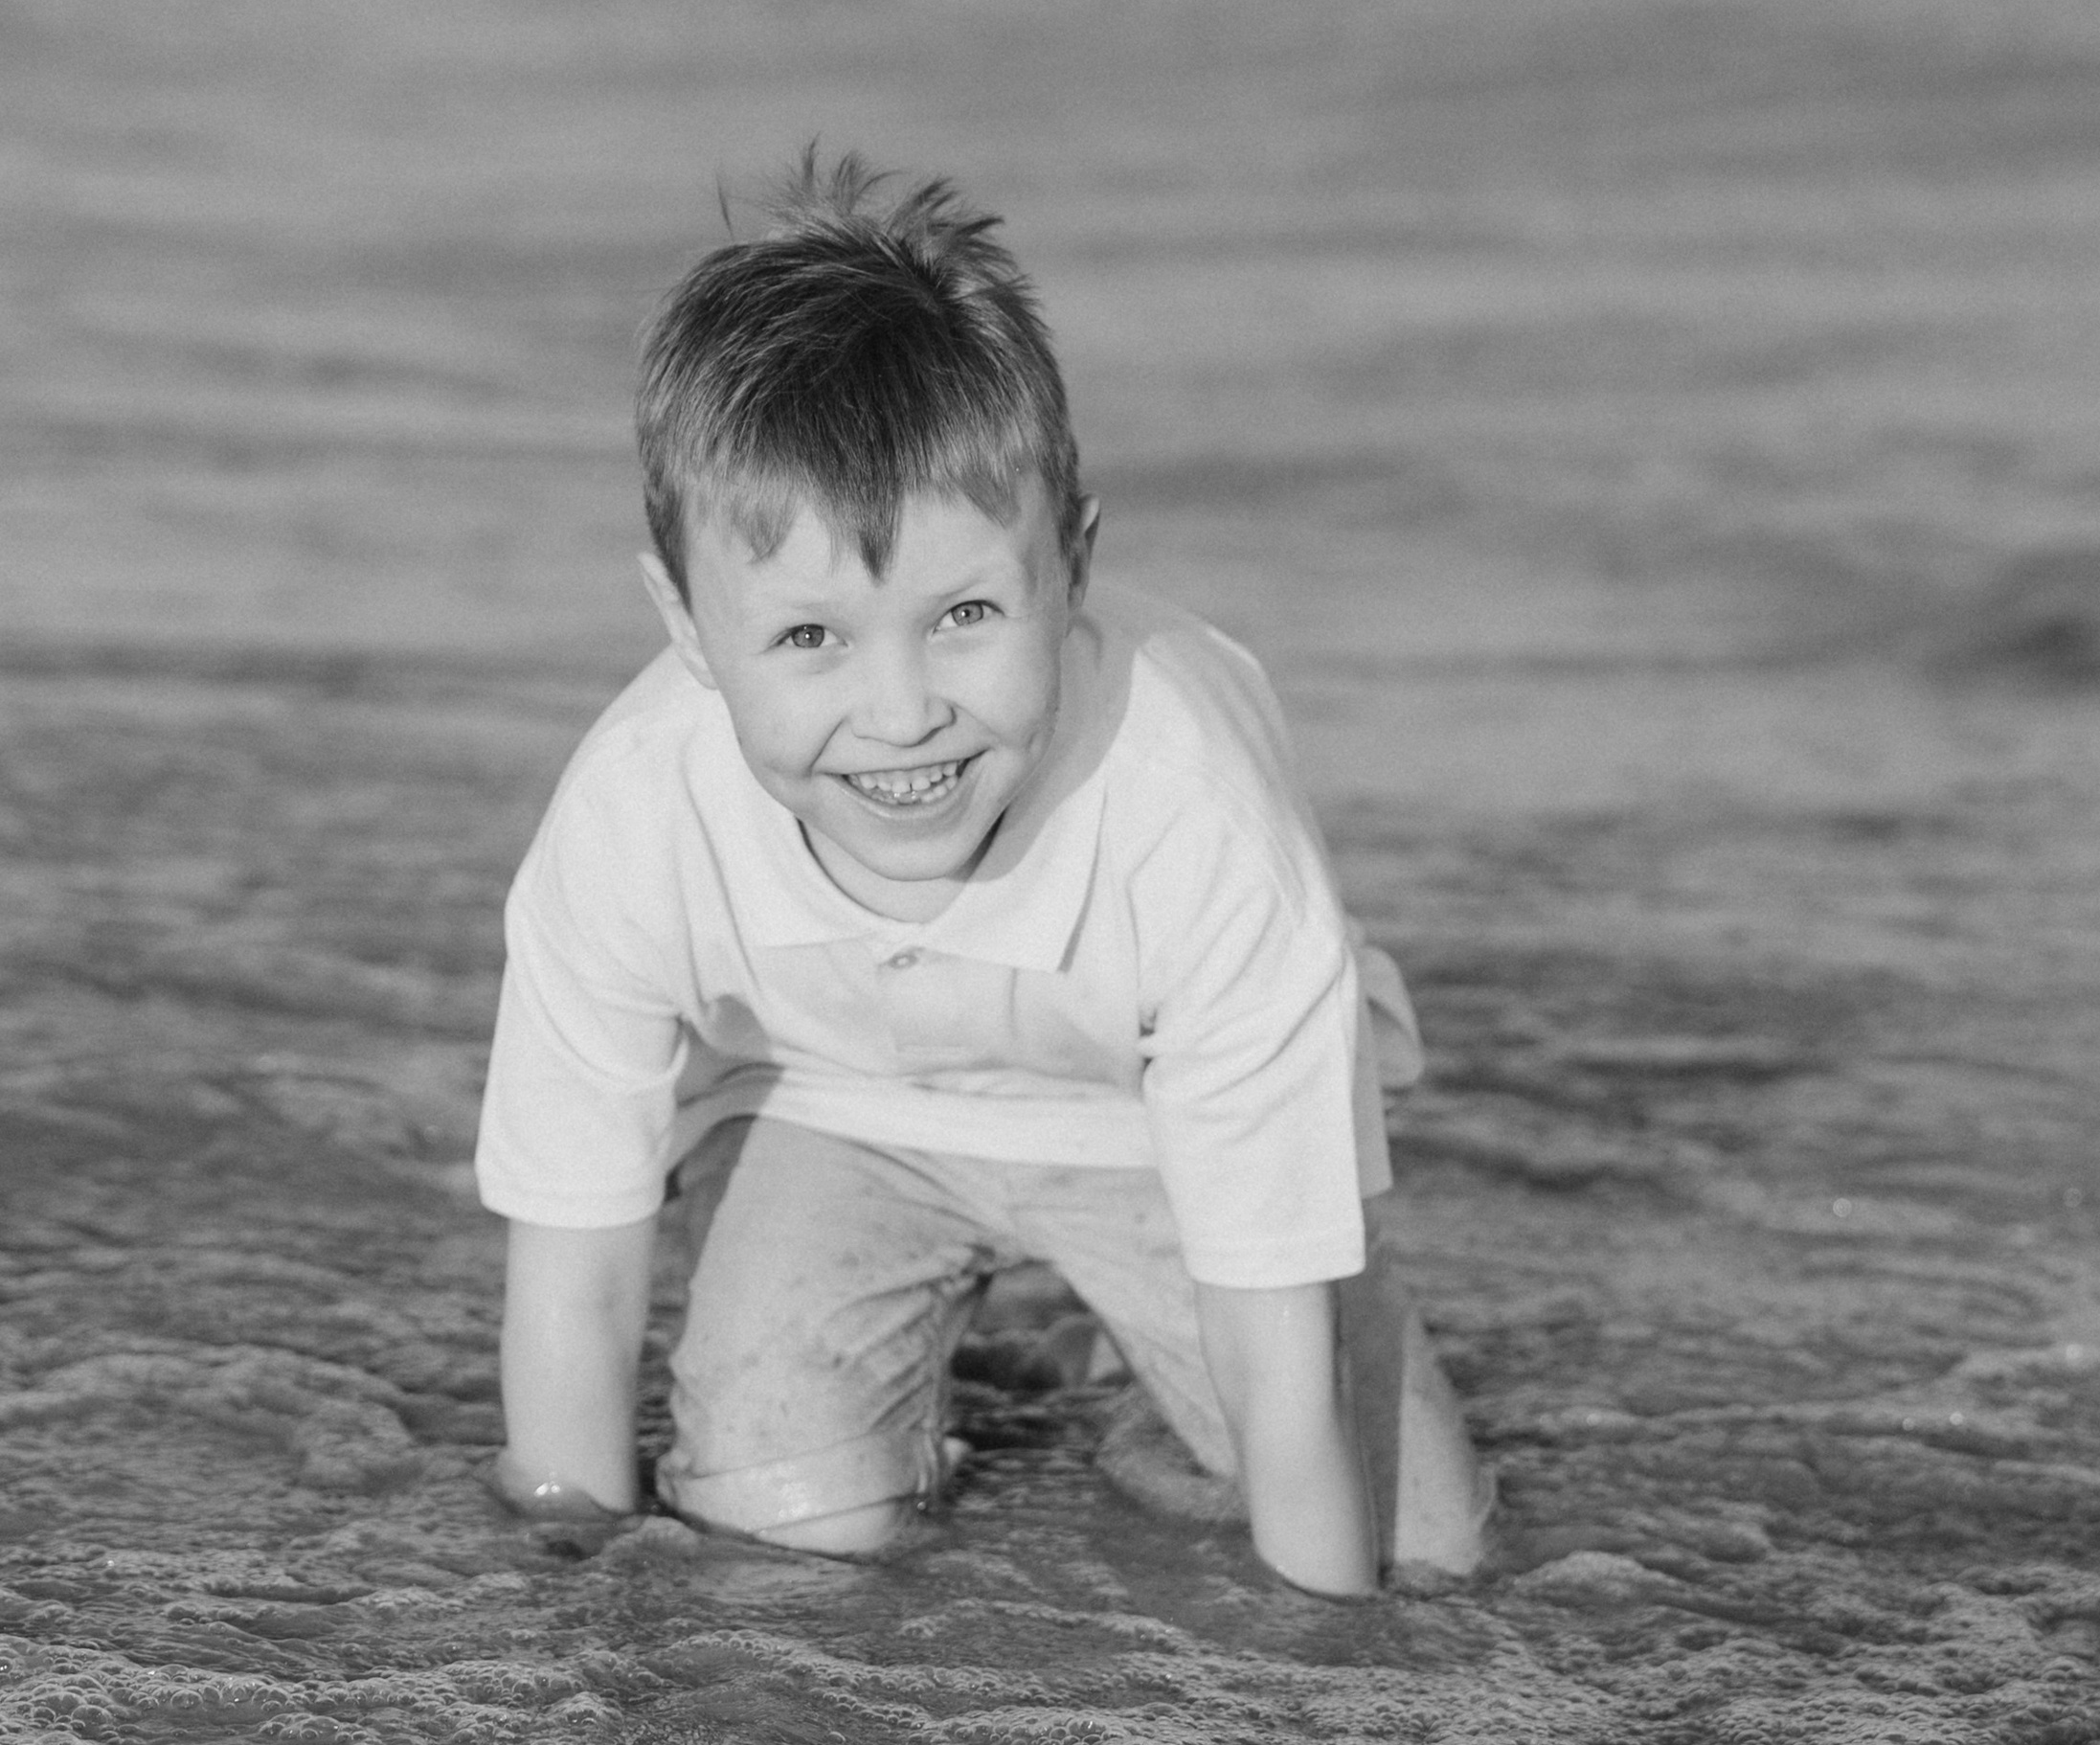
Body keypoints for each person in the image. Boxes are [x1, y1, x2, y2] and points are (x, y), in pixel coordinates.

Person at [475, 152, 1490, 1598]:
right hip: (834, 1104)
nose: (900, 716)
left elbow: (1281, 1353)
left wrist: (1322, 1693)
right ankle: (950, 1349)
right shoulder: (635, 813)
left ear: (1070, 566)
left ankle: (1094, 1347)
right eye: (810, 638)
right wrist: (560, 1593)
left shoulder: (1189, 814)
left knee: (1414, 1554)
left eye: (962, 613)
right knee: (782, 1536)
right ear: (688, 625)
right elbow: (574, 1279)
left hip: (1145, 1116)